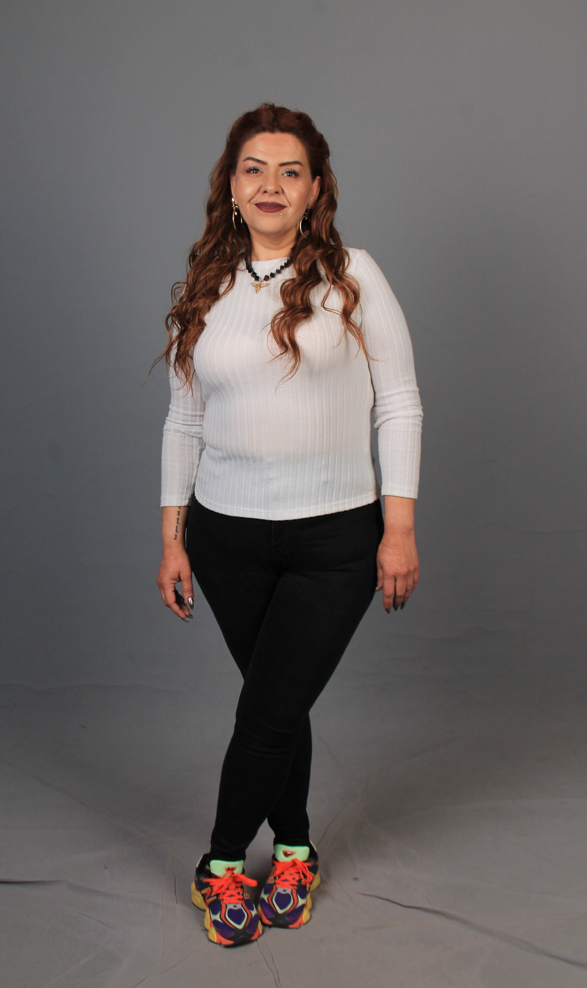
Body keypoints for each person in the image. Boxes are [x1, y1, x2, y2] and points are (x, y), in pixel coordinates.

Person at [156, 103, 422, 947]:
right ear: (232, 187)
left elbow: (400, 403)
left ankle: (221, 862)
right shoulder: (204, 288)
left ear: (314, 191)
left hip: (334, 542)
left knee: (267, 712)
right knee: (280, 702)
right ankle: (297, 847)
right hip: (224, 539)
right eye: (254, 169)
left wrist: (399, 528)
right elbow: (184, 421)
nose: (271, 185)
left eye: (291, 171)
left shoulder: (354, 276)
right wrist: (171, 537)